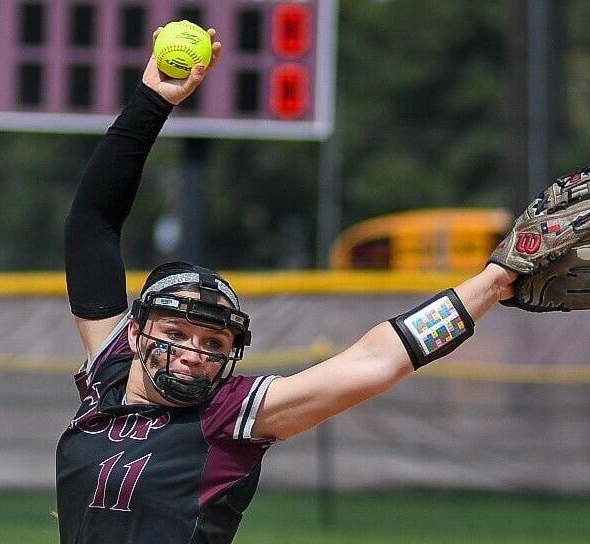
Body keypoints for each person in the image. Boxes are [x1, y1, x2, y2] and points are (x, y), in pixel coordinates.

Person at [57, 28, 518, 544]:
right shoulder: (108, 372)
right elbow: (91, 224)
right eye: (177, 332)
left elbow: (377, 360)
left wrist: (493, 284)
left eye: (214, 343)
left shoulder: (226, 416)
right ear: (137, 333)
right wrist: (151, 102)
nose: (193, 353)